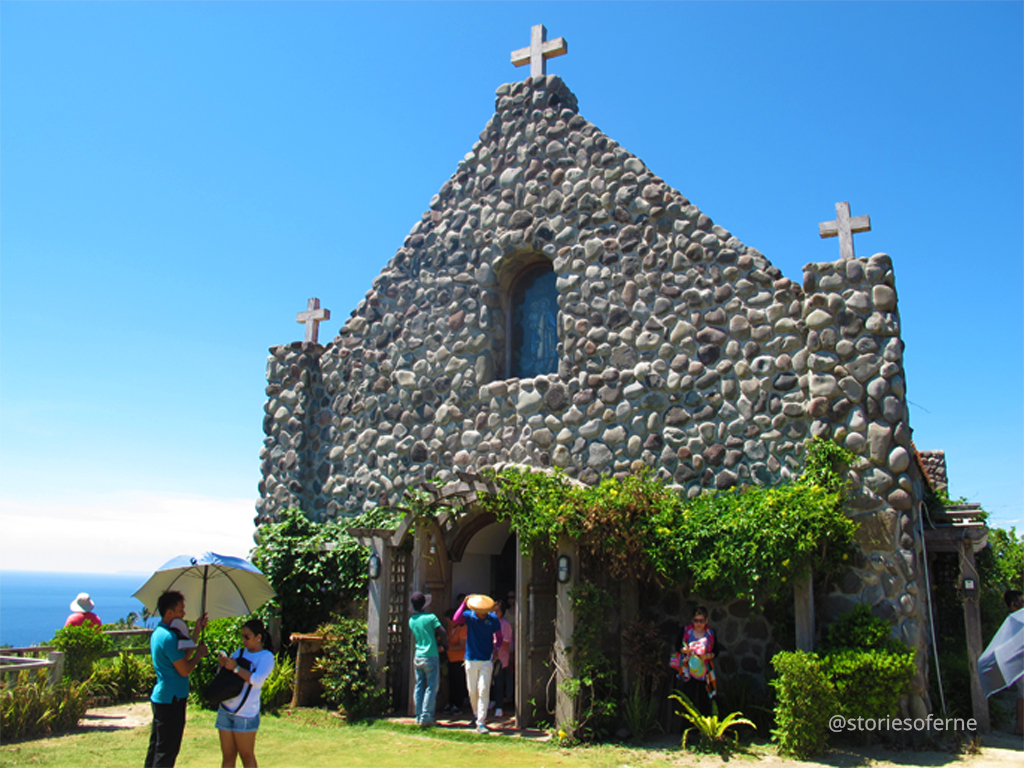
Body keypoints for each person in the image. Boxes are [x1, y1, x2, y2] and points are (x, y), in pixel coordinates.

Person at [145, 590, 208, 768]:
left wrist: (197, 630)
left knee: (156, 747)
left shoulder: (160, 633)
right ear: (170, 613)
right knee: (167, 751)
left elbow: (183, 655)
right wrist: (199, 655)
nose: (183, 613)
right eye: (181, 610)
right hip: (172, 699)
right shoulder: (169, 637)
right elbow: (185, 669)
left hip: (163, 697)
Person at [216, 619, 275, 768]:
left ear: (258, 637)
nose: (243, 640)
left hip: (246, 714)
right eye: (242, 636)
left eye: (247, 637)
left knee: (247, 756)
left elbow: (256, 679)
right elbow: (225, 676)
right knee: (228, 755)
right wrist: (223, 665)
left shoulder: (266, 657)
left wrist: (236, 668)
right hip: (226, 709)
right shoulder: (240, 652)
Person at [453, 594, 503, 734]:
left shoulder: (492, 618)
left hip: (486, 659)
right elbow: (456, 619)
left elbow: (499, 637)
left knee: (483, 689)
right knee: (472, 690)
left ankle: (481, 721)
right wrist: (464, 603)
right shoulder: (470, 616)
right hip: (470, 659)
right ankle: (476, 716)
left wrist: (496, 649)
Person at [408, 591, 445, 727]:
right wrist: (442, 644)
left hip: (418, 655)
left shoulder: (411, 620)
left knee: (419, 685)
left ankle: (418, 715)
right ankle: (427, 715)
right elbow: (442, 631)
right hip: (431, 654)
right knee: (431, 686)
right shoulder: (431, 617)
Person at [676, 606, 718, 716]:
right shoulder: (686, 632)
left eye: (701, 621)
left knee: (704, 699)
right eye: (696, 621)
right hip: (689, 671)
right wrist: (685, 650)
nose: (699, 623)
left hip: (704, 672)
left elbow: (716, 651)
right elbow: (677, 646)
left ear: (706, 620)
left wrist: (707, 656)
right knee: (688, 698)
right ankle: (687, 727)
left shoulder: (710, 634)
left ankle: (704, 727)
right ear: (692, 620)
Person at [1004, 591, 1024, 735]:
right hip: (1020, 660)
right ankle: (1020, 726)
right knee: (1022, 695)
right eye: (1021, 601)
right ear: (1013, 604)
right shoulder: (1015, 619)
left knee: (1022, 694)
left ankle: (1020, 725)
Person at [489, 601, 513, 718]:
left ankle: (499, 706)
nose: (494, 613)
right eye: (493, 610)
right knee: (489, 682)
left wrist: (495, 645)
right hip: (488, 657)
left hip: (501, 658)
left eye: (497, 610)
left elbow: (507, 641)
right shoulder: (489, 623)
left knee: (499, 682)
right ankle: (492, 700)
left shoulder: (505, 624)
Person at [442, 608, 468, 714]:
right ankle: (450, 703)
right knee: (451, 682)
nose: (448, 623)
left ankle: (458, 704)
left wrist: (447, 648)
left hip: (459, 659)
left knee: (459, 683)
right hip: (450, 659)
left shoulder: (463, 628)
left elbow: (462, 646)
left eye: (450, 621)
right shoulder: (449, 628)